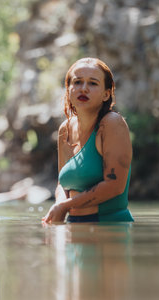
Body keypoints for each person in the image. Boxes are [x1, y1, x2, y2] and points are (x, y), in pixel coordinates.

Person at [42, 57, 134, 224]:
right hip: (74, 227)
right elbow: (62, 185)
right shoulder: (65, 129)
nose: (83, 89)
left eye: (92, 83)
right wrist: (58, 205)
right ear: (68, 90)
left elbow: (115, 185)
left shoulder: (112, 123)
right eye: (77, 82)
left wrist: (64, 206)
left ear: (106, 94)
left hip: (109, 228)